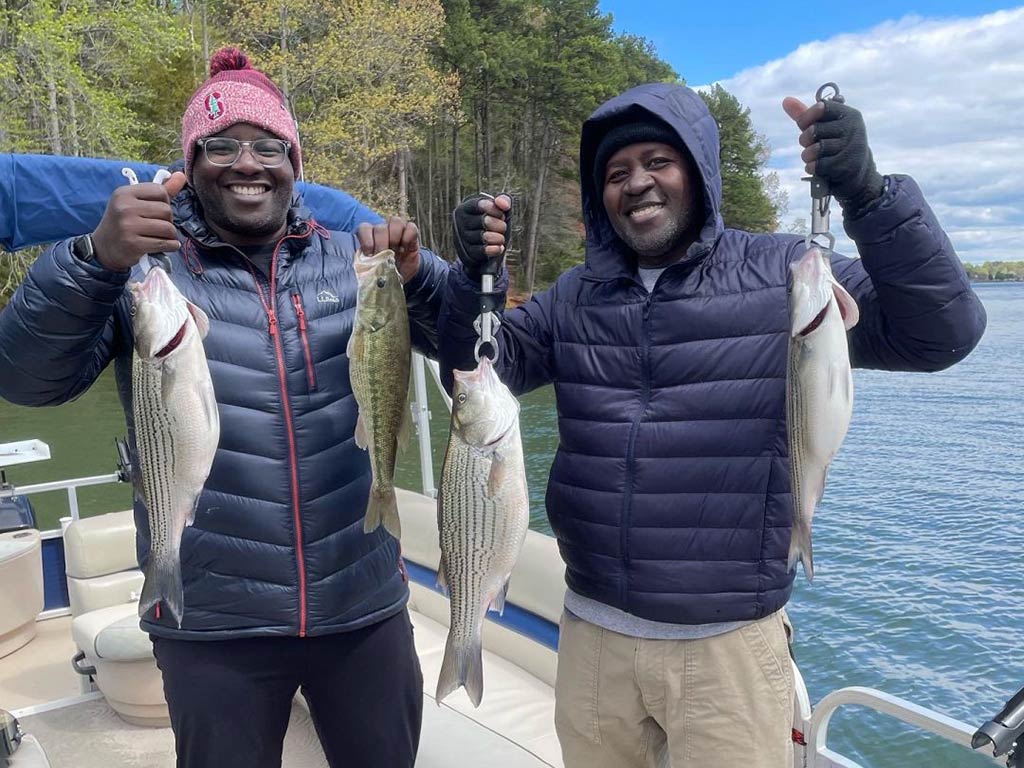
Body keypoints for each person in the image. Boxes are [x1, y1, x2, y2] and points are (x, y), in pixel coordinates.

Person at [443, 82, 987, 767]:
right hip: (591, 638)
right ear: (599, 195)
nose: (637, 183)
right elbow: (479, 375)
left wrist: (872, 197)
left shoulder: (789, 273)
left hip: (727, 651)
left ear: (697, 170)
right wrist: (471, 282)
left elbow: (942, 333)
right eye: (616, 173)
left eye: (656, 161)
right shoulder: (574, 297)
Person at [0, 47, 448, 768]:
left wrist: (425, 277)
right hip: (212, 626)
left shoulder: (355, 262)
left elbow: (477, 343)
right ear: (192, 160)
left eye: (268, 146)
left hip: (362, 608)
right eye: (221, 146)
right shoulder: (144, 270)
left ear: (294, 161)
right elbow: (26, 380)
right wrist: (89, 259)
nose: (248, 163)